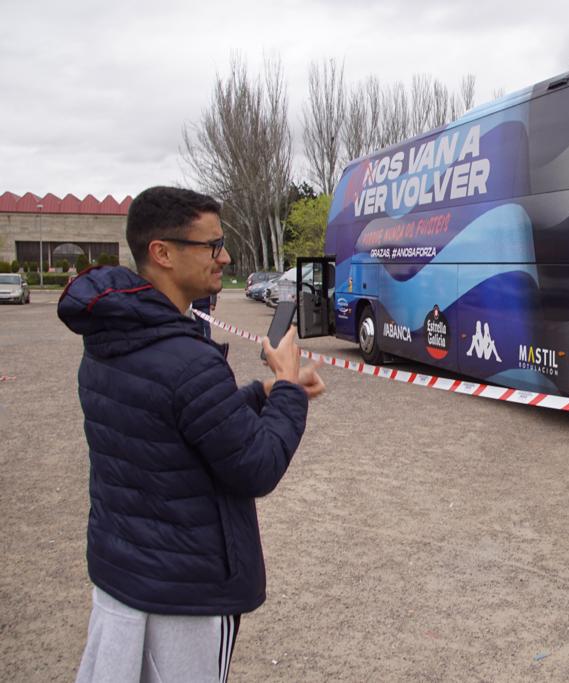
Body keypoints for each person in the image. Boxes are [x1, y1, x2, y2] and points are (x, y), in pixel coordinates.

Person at [58, 186, 325, 681]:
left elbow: (178, 424)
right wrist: (287, 385)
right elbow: (257, 464)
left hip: (128, 572)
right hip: (187, 591)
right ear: (161, 253)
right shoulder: (187, 358)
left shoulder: (112, 338)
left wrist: (263, 392)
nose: (224, 256)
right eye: (211, 245)